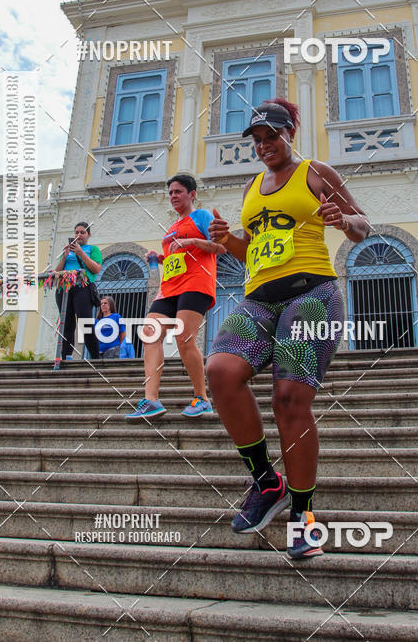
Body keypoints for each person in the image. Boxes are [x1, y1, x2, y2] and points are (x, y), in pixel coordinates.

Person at [206, 99, 369, 559]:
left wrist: (344, 221)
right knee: (220, 371)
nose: (264, 146)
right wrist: (227, 241)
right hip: (259, 297)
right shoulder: (252, 187)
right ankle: (266, 481)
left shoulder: (315, 172)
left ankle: (303, 518)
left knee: (289, 399)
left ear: (289, 133)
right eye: (257, 140)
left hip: (312, 294)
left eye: (271, 137)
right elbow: (253, 252)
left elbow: (362, 224)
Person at [126, 174, 226, 419]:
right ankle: (151, 400)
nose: (173, 196)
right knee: (150, 334)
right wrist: (160, 258)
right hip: (169, 287)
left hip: (196, 283)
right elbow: (177, 256)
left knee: (184, 337)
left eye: (178, 191)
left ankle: (201, 398)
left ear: (192, 194)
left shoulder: (201, 216)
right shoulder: (171, 228)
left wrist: (192, 240)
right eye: (170, 192)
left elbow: (221, 247)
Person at [55, 221, 103, 360]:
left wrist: (81, 253)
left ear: (88, 234)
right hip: (64, 288)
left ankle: (95, 357)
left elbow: (96, 269)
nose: (79, 235)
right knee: (67, 324)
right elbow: (57, 273)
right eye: (76, 232)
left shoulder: (92, 250)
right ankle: (66, 357)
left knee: (85, 322)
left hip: (82, 287)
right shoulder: (67, 251)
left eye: (82, 232)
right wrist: (64, 256)